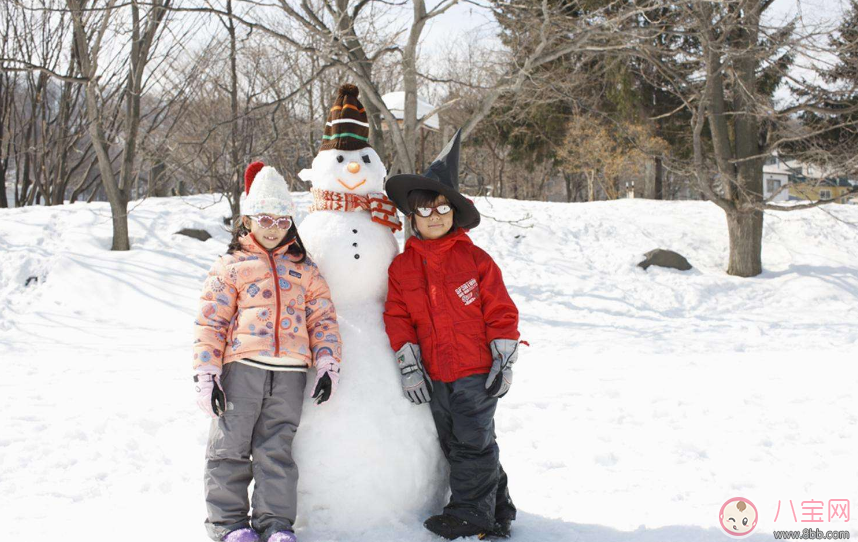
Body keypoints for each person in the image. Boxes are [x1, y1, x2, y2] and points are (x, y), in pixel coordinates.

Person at [383, 130, 522, 540]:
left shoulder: (475, 260)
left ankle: (469, 515)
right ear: (413, 217)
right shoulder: (402, 268)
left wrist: (504, 359)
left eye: (443, 208)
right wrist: (409, 367)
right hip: (435, 373)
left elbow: (501, 311)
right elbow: (397, 316)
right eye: (426, 210)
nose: (436, 216)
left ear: (454, 213)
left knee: (473, 444)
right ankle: (498, 511)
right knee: (455, 443)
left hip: (476, 372)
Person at [193, 161, 342, 542]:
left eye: (281, 220)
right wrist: (207, 375)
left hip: (291, 373)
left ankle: (275, 525)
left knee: (275, 451)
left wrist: (327, 364)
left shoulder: (305, 269)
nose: (273, 228)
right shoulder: (231, 266)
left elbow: (322, 318)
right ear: (247, 221)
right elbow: (211, 324)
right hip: (242, 369)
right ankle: (229, 525)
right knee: (229, 446)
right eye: (264, 218)